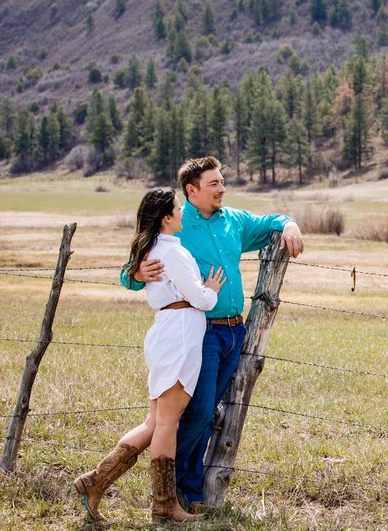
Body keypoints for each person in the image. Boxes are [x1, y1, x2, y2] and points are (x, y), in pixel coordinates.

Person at [123, 157, 304, 512]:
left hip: (234, 333)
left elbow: (270, 221)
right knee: (200, 410)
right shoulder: (174, 224)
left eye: (222, 182)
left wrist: (289, 225)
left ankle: (190, 494)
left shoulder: (232, 220)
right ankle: (172, 492)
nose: (222, 189)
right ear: (191, 191)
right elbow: (130, 272)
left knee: (211, 411)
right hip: (200, 333)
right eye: (214, 184)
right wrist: (136, 274)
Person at [76, 187, 226, 523]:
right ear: (165, 217)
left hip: (168, 332)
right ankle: (164, 506)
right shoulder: (171, 252)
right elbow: (199, 299)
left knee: (155, 421)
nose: (183, 211)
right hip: (180, 335)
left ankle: (94, 481)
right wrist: (211, 291)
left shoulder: (157, 248)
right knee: (168, 423)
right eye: (177, 207)